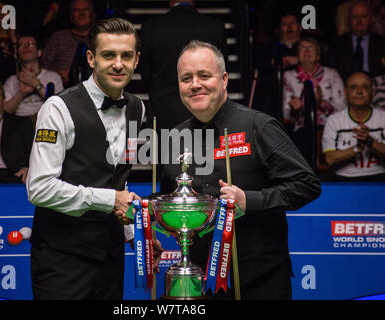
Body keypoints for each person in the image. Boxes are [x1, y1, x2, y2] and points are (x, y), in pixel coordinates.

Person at [160, 40, 321, 299]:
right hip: (200, 283)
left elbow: (307, 184)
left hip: (261, 280)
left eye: (204, 75)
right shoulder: (173, 138)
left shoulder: (259, 126)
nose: (195, 84)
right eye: (186, 78)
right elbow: (170, 198)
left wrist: (250, 200)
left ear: (224, 79)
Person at [27, 18, 162, 300]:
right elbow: (39, 187)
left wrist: (136, 232)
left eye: (126, 56)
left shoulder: (138, 108)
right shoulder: (58, 108)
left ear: (137, 60)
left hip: (111, 258)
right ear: (91, 58)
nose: (118, 64)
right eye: (108, 55)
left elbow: (117, 179)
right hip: (62, 259)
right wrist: (110, 199)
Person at [140, 0, 227, 133]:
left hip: (163, 110)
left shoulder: (151, 27)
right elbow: (220, 70)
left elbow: (145, 73)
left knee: (162, 153)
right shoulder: (215, 27)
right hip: (207, 113)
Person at [282, 36, 346, 169]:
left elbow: (342, 108)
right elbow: (286, 115)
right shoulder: (288, 76)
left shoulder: (332, 74)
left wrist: (322, 103)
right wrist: (298, 108)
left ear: (318, 55)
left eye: (311, 48)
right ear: (297, 55)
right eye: (302, 48)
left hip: (328, 126)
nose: (306, 51)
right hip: (301, 130)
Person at [322, 72, 385, 181]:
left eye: (365, 87)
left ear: (373, 92)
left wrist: (370, 141)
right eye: (353, 87)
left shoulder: (383, 117)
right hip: (343, 179)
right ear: (346, 93)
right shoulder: (334, 120)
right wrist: (356, 148)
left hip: (380, 179)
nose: (359, 91)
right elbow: (329, 159)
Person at [3, 34, 64, 119]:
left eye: (31, 44)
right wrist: (22, 93)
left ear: (39, 53)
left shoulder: (53, 76)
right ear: (17, 54)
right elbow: (6, 111)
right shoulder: (12, 80)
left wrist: (36, 85)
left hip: (46, 122)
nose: (26, 46)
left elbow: (60, 107)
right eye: (21, 45)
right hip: (20, 123)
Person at [41, 0, 95, 87]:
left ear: (92, 15)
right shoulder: (58, 37)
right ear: (71, 16)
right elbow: (43, 68)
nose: (81, 13)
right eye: (77, 10)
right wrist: (59, 76)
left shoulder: (101, 37)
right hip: (63, 91)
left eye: (85, 9)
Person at [329, 1, 385, 82]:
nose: (359, 21)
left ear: (371, 18)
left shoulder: (381, 42)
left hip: (375, 86)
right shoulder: (337, 43)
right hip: (346, 85)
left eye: (363, 16)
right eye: (355, 17)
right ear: (349, 20)